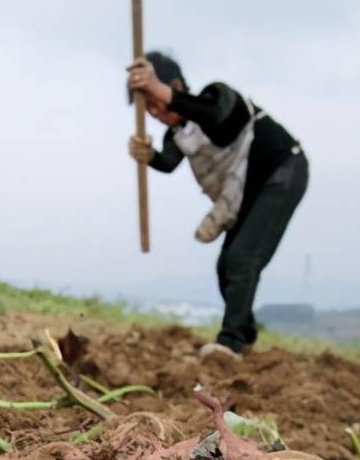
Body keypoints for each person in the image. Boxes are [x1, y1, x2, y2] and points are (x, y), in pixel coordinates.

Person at [127, 51, 309, 361]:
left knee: (242, 259)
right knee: (226, 266)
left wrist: (158, 90)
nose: (155, 113)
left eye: (155, 103)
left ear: (172, 85)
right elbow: (169, 162)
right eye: (149, 109)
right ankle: (246, 336)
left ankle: (231, 344)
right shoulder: (179, 135)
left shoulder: (217, 98)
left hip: (281, 170)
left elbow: (216, 118)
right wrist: (150, 157)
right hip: (247, 193)